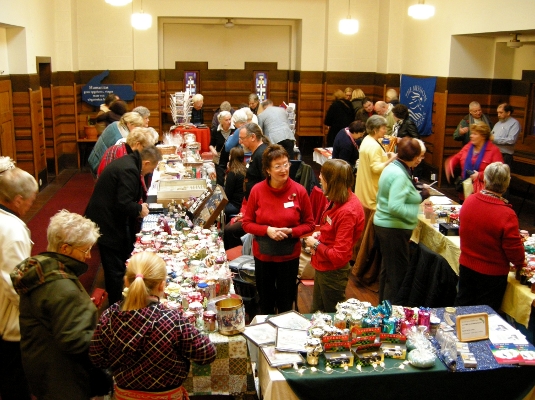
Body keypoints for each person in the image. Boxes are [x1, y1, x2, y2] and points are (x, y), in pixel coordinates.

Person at [90, 251, 216, 399]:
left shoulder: (109, 317)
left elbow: (97, 358)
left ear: (126, 282)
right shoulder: (173, 321)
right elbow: (207, 354)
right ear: (162, 286)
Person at [10, 210, 101, 400]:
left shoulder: (43, 269)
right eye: (85, 250)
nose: (89, 257)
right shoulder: (63, 288)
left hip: (42, 365)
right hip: (63, 379)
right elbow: (75, 341)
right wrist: (107, 339)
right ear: (66, 249)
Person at [242, 144, 315, 314]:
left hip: (289, 257)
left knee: (285, 305)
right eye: (277, 166)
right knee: (265, 303)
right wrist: (267, 230)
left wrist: (291, 231)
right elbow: (246, 223)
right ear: (267, 170)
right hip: (263, 257)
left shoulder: (299, 191)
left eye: (286, 164)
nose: (283, 169)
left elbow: (310, 224)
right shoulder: (257, 191)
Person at [85, 146, 163, 306]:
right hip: (105, 223)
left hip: (109, 219)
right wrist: (139, 209)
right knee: (114, 267)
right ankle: (116, 307)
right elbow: (123, 203)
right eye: (151, 168)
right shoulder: (129, 170)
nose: (150, 172)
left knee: (117, 261)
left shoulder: (130, 163)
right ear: (146, 162)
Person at [455, 162, 525, 312]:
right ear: (506, 185)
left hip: (467, 265)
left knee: (462, 309)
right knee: (485, 316)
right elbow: (514, 251)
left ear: (485, 181)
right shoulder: (507, 214)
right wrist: (520, 264)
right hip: (492, 275)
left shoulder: (469, 201)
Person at [305, 159, 365, 312]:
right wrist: (321, 235)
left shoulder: (347, 212)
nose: (319, 178)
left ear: (331, 181)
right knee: (317, 312)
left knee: (332, 316)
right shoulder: (339, 199)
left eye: (323, 176)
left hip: (332, 272)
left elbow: (339, 255)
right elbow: (332, 229)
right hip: (323, 266)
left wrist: (315, 244)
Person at [373, 137, 428, 304]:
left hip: (385, 225)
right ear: (414, 156)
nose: (420, 160)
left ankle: (383, 309)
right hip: (393, 228)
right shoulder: (399, 175)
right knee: (397, 277)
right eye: (419, 156)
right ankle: (393, 314)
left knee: (388, 272)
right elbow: (395, 207)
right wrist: (418, 202)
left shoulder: (393, 167)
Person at [0, 158, 37, 400]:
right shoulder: (12, 230)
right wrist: (32, 311)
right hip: (10, 323)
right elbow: (14, 281)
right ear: (18, 200)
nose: (33, 205)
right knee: (15, 381)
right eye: (31, 200)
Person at [351, 115, 397, 285]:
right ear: (376, 129)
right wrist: (392, 159)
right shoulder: (373, 145)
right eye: (384, 128)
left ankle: (356, 261)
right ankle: (364, 269)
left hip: (362, 190)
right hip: (372, 193)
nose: (386, 130)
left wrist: (386, 155)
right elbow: (376, 168)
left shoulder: (367, 141)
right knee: (368, 238)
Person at [446, 121, 503, 202]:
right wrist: (450, 165)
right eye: (471, 133)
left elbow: (498, 173)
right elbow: (457, 157)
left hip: (483, 195)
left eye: (475, 134)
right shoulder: (468, 146)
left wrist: (479, 175)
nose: (471, 136)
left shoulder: (494, 150)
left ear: (483, 136)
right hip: (465, 192)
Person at [240, 122, 270, 199]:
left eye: (242, 138)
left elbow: (266, 181)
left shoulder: (261, 154)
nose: (240, 142)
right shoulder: (257, 152)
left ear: (253, 137)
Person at [209, 110, 234, 186]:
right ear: (221, 121)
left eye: (230, 119)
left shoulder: (235, 130)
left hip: (232, 159)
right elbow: (211, 144)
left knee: (231, 182)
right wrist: (213, 150)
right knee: (220, 181)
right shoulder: (215, 131)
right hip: (220, 159)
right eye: (226, 120)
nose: (229, 121)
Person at [492, 103, 521, 167]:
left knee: (502, 176)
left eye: (501, 112)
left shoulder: (514, 123)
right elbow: (491, 136)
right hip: (494, 153)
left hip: (505, 155)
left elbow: (511, 140)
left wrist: (494, 139)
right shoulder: (498, 124)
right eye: (498, 113)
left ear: (508, 113)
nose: (498, 115)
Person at [224, 146, 246, 221]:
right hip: (242, 204)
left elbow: (227, 195)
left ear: (231, 157)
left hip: (235, 205)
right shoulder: (246, 169)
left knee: (216, 210)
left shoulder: (233, 173)